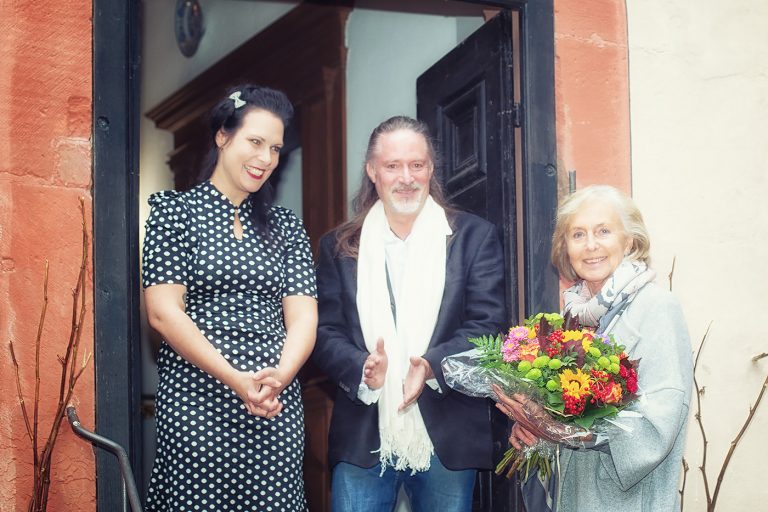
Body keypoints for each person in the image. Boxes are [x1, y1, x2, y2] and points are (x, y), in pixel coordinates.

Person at [312, 116, 506, 511]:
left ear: (430, 168)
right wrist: (361, 367)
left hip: (447, 430)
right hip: (364, 431)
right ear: (372, 171)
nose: (406, 177)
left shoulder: (474, 237)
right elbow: (323, 330)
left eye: (416, 165)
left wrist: (431, 366)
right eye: (392, 166)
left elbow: (488, 326)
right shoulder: (337, 246)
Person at [142, 85, 317, 511]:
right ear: (223, 135)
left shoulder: (286, 226)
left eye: (274, 148)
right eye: (254, 142)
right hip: (196, 402)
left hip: (272, 405)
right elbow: (164, 314)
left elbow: (303, 318)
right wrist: (236, 379)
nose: (265, 159)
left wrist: (281, 375)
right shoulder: (174, 212)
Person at [494, 185, 693, 512]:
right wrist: (534, 430)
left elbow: (659, 424)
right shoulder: (568, 320)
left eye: (603, 231)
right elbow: (563, 416)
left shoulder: (656, 308)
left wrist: (563, 429)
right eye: (578, 234)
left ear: (629, 241)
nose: (591, 246)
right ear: (565, 247)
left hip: (629, 502)